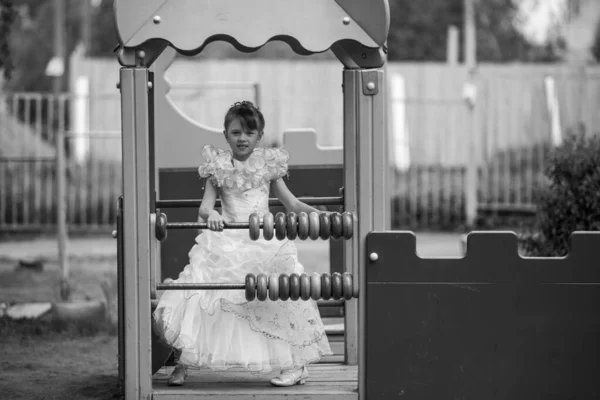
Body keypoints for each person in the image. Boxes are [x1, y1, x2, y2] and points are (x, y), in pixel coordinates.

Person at [153, 101, 332, 387]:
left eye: (249, 132)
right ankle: (185, 362)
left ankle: (296, 364)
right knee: (203, 292)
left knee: (280, 295)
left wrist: (322, 216)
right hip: (227, 240)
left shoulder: (268, 167)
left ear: (259, 136)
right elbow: (205, 208)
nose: (242, 138)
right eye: (236, 132)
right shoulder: (218, 167)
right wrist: (211, 214)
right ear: (225, 134)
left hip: (263, 240)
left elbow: (292, 202)